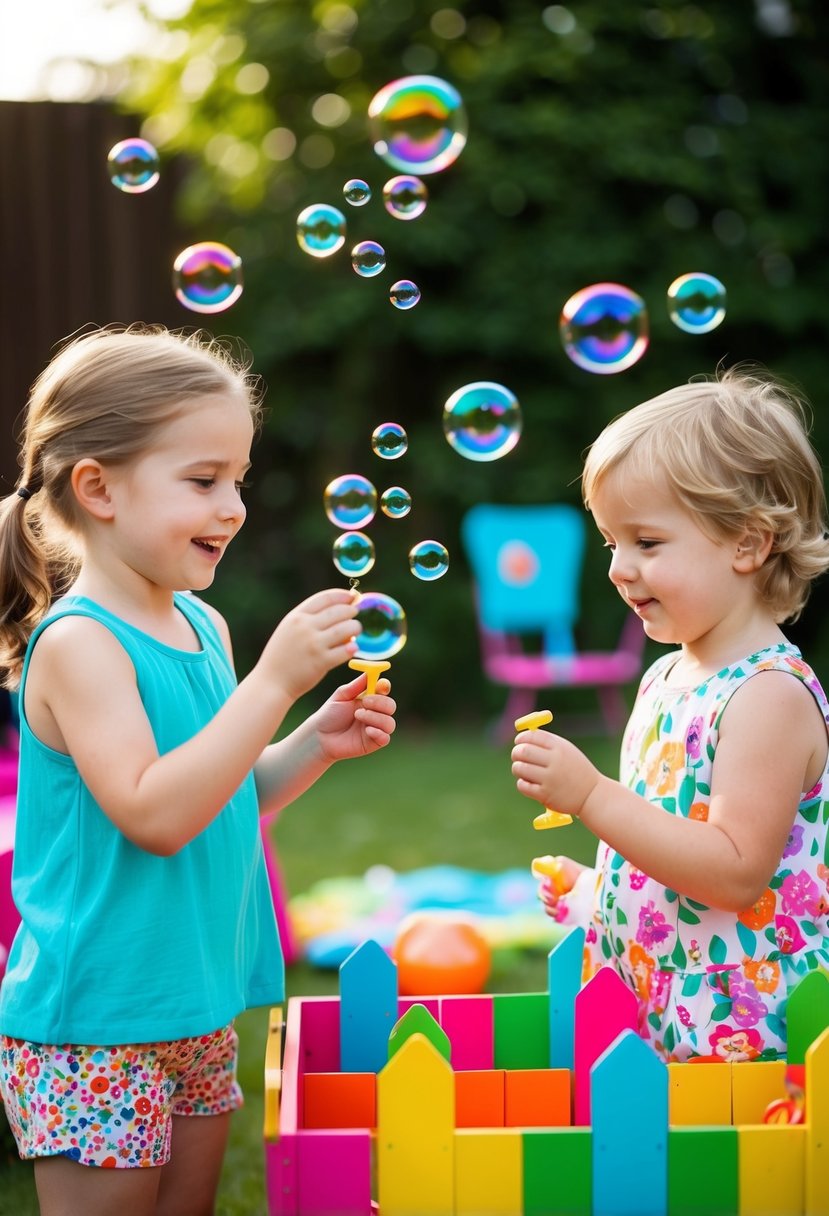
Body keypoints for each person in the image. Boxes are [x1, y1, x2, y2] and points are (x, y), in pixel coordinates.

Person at [0, 324, 396, 1215]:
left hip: (195, 997)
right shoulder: (80, 645)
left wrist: (311, 745)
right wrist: (275, 683)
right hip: (97, 1018)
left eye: (238, 481)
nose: (234, 506)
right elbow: (153, 813)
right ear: (97, 488)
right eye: (203, 481)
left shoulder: (202, 628)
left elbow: (219, 794)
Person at [512, 366, 829, 1063]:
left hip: (738, 1022)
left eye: (646, 543)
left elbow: (733, 871)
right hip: (658, 996)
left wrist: (592, 797)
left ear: (747, 543)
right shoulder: (666, 675)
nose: (618, 568)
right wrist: (603, 890)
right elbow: (669, 828)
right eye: (610, 543)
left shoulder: (766, 696)